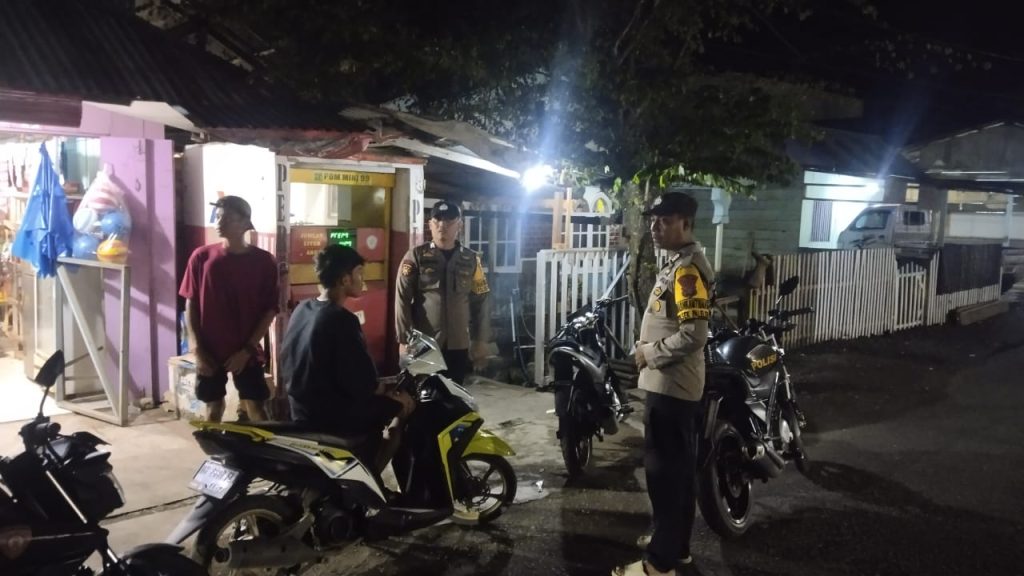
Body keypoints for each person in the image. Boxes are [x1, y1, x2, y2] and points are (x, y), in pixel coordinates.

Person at [614, 192, 715, 576]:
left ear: (685, 223)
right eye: (654, 220)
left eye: (665, 220)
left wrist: (649, 353)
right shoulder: (677, 264)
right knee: (677, 473)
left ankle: (659, 564)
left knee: (665, 475)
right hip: (670, 385)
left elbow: (694, 335)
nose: (655, 227)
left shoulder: (687, 271)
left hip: (671, 386)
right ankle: (676, 546)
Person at [282, 245, 415, 473]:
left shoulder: (302, 309)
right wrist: (392, 392)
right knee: (404, 406)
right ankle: (369, 476)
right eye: (359, 273)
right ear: (345, 279)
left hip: (300, 410)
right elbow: (364, 384)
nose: (363, 280)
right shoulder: (342, 320)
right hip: (332, 417)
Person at [179, 195, 278, 423]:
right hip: (209, 351)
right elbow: (190, 304)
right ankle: (213, 446)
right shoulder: (201, 257)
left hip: (247, 352)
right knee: (213, 408)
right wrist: (197, 349)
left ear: (245, 224)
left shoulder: (264, 262)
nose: (219, 222)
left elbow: (269, 310)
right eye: (218, 217)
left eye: (227, 218)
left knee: (256, 407)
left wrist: (247, 350)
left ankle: (264, 447)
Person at [395, 200, 491, 384]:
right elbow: (402, 299)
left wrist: (481, 340)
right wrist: (404, 339)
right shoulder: (415, 256)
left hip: (458, 343)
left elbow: (481, 300)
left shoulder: (471, 259)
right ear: (430, 225)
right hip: (425, 343)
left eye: (448, 221)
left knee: (454, 393)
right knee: (424, 393)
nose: (442, 225)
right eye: (437, 220)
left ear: (459, 226)